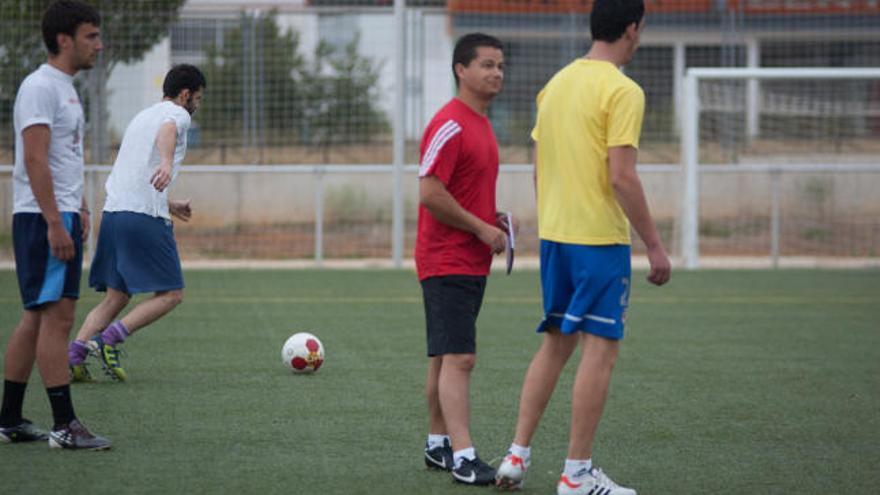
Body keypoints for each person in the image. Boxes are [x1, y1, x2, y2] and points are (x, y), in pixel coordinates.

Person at [494, 1, 671, 494]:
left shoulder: (556, 84)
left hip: (557, 238)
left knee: (555, 344)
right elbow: (622, 176)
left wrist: (553, 218)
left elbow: (538, 166)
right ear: (632, 29)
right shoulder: (622, 90)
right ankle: (576, 475)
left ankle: (516, 455)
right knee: (600, 351)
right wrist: (654, 245)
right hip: (597, 241)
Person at [0, 1, 110, 450]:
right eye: (91, 36)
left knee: (35, 316)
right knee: (58, 318)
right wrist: (54, 222)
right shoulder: (40, 87)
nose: (98, 45)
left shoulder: (65, 87)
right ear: (63, 39)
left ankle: (8, 418)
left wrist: (79, 203)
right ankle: (64, 425)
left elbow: (63, 157)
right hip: (44, 218)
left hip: (60, 213)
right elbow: (34, 157)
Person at [67, 64, 205, 383]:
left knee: (117, 296)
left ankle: (75, 356)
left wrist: (170, 204)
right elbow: (169, 129)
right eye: (197, 98)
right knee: (172, 294)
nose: (196, 105)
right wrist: (168, 163)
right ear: (185, 94)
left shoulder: (141, 116)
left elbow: (134, 171)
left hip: (114, 214)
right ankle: (108, 340)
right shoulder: (176, 114)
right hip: (142, 218)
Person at [415, 33, 509, 486]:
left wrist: (494, 219)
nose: (496, 73)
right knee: (460, 358)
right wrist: (479, 227)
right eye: (487, 64)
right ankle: (464, 457)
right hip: (446, 258)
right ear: (461, 70)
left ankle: (438, 445)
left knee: (443, 357)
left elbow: (462, 190)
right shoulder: (450, 122)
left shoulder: (482, 124)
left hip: (469, 259)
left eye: (500, 66)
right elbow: (430, 192)